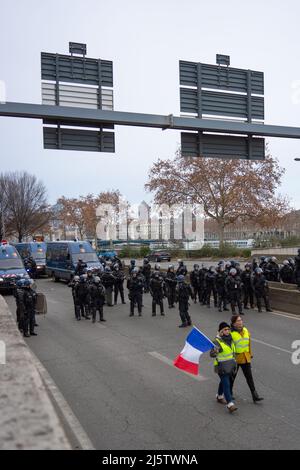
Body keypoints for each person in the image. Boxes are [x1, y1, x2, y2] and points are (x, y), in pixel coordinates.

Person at [230, 315, 264, 403]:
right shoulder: (231, 334)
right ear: (234, 324)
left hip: (245, 357)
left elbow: (248, 343)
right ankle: (229, 393)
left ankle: (254, 395)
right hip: (236, 359)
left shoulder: (245, 330)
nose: (240, 322)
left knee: (249, 377)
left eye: (241, 320)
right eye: (238, 321)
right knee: (232, 377)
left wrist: (250, 353)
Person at [210, 322, 238, 413]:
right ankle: (230, 404)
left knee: (224, 382)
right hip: (221, 366)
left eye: (228, 329)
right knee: (226, 383)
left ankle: (219, 396)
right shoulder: (217, 341)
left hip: (230, 365)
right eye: (225, 329)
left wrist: (234, 362)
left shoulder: (231, 339)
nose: (227, 331)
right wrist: (215, 351)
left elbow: (232, 352)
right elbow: (212, 354)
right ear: (221, 331)